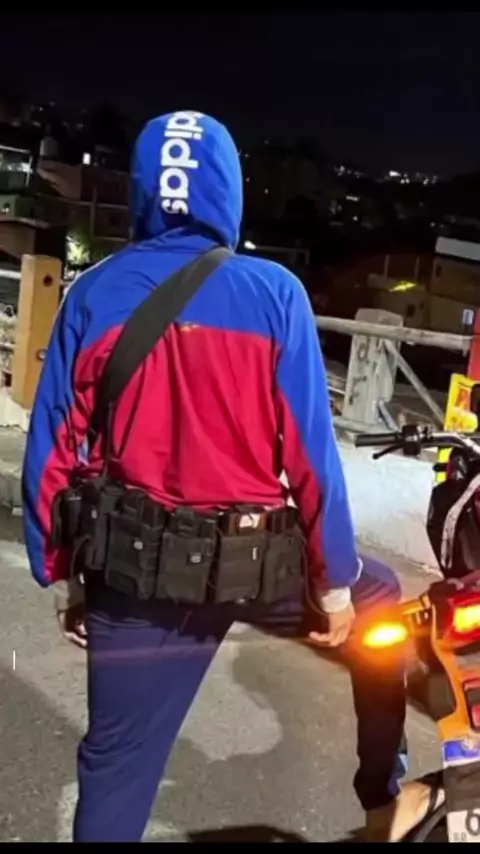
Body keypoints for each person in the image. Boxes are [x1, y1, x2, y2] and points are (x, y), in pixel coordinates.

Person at [22, 110, 441, 843]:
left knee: (116, 768)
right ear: (227, 189)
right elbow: (311, 456)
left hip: (136, 573)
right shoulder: (273, 292)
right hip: (258, 563)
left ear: (143, 189)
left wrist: (69, 576)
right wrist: (333, 583)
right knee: (379, 602)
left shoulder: (95, 292)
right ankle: (382, 801)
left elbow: (53, 453)